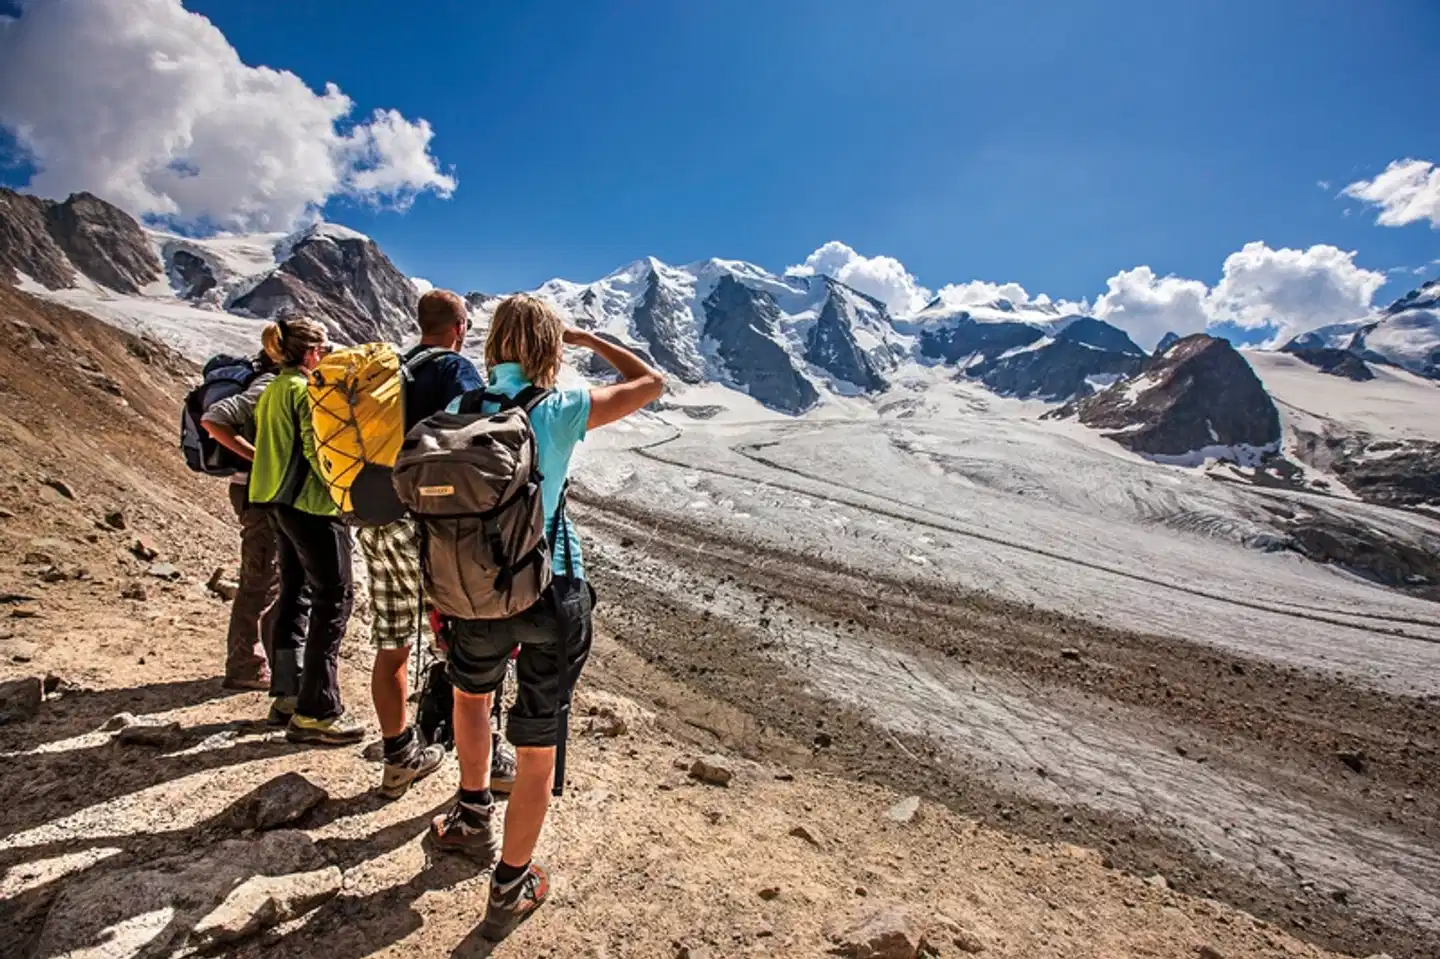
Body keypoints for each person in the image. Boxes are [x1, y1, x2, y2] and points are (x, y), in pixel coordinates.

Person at [429, 294, 664, 941]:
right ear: (549, 348)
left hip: (473, 591)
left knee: (471, 699)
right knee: (537, 742)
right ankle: (511, 883)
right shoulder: (560, 409)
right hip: (550, 589)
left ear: (493, 344)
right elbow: (651, 382)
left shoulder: (461, 409)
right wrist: (587, 338)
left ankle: (471, 815)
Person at [358, 288, 517, 799]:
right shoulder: (455, 370)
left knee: (392, 645)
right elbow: (484, 437)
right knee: (474, 643)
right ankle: (490, 760)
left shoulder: (389, 373)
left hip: (377, 521)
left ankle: (398, 757)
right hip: (430, 528)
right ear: (460, 327)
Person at [249, 317, 363, 744]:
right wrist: (347, 495)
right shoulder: (304, 390)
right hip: (311, 504)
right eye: (324, 350)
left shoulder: (274, 388)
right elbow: (319, 452)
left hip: (275, 500)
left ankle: (287, 694)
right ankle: (317, 711)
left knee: (294, 594)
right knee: (334, 598)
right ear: (312, 353)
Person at [201, 351, 280, 691]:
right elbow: (215, 418)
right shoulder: (269, 383)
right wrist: (260, 458)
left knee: (270, 577)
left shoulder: (267, 380)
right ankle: (245, 665)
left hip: (255, 490)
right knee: (260, 579)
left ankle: (264, 659)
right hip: (257, 492)